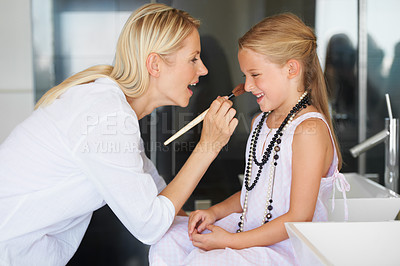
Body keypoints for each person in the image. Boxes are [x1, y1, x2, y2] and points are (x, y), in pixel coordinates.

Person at [0, 3, 238, 265]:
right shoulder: (106, 115)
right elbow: (150, 225)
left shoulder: (112, 107)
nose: (203, 70)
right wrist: (209, 146)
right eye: (193, 58)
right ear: (155, 64)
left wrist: (213, 230)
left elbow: (162, 199)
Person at [149, 13, 349, 265]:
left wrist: (229, 242)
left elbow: (298, 218)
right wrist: (213, 212)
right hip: (250, 231)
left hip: (287, 247)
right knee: (168, 240)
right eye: (245, 76)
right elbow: (251, 194)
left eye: (255, 75)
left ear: (291, 69)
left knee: (208, 261)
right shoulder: (259, 123)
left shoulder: (309, 130)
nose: (248, 86)